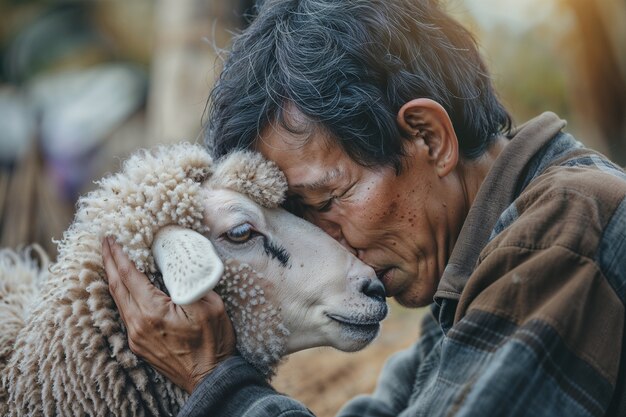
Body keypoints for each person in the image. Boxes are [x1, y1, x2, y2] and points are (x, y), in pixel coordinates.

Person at [102, 0, 626, 415]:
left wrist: (217, 386)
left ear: (428, 137)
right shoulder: (466, 279)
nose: (330, 243)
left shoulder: (564, 229)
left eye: (329, 199)